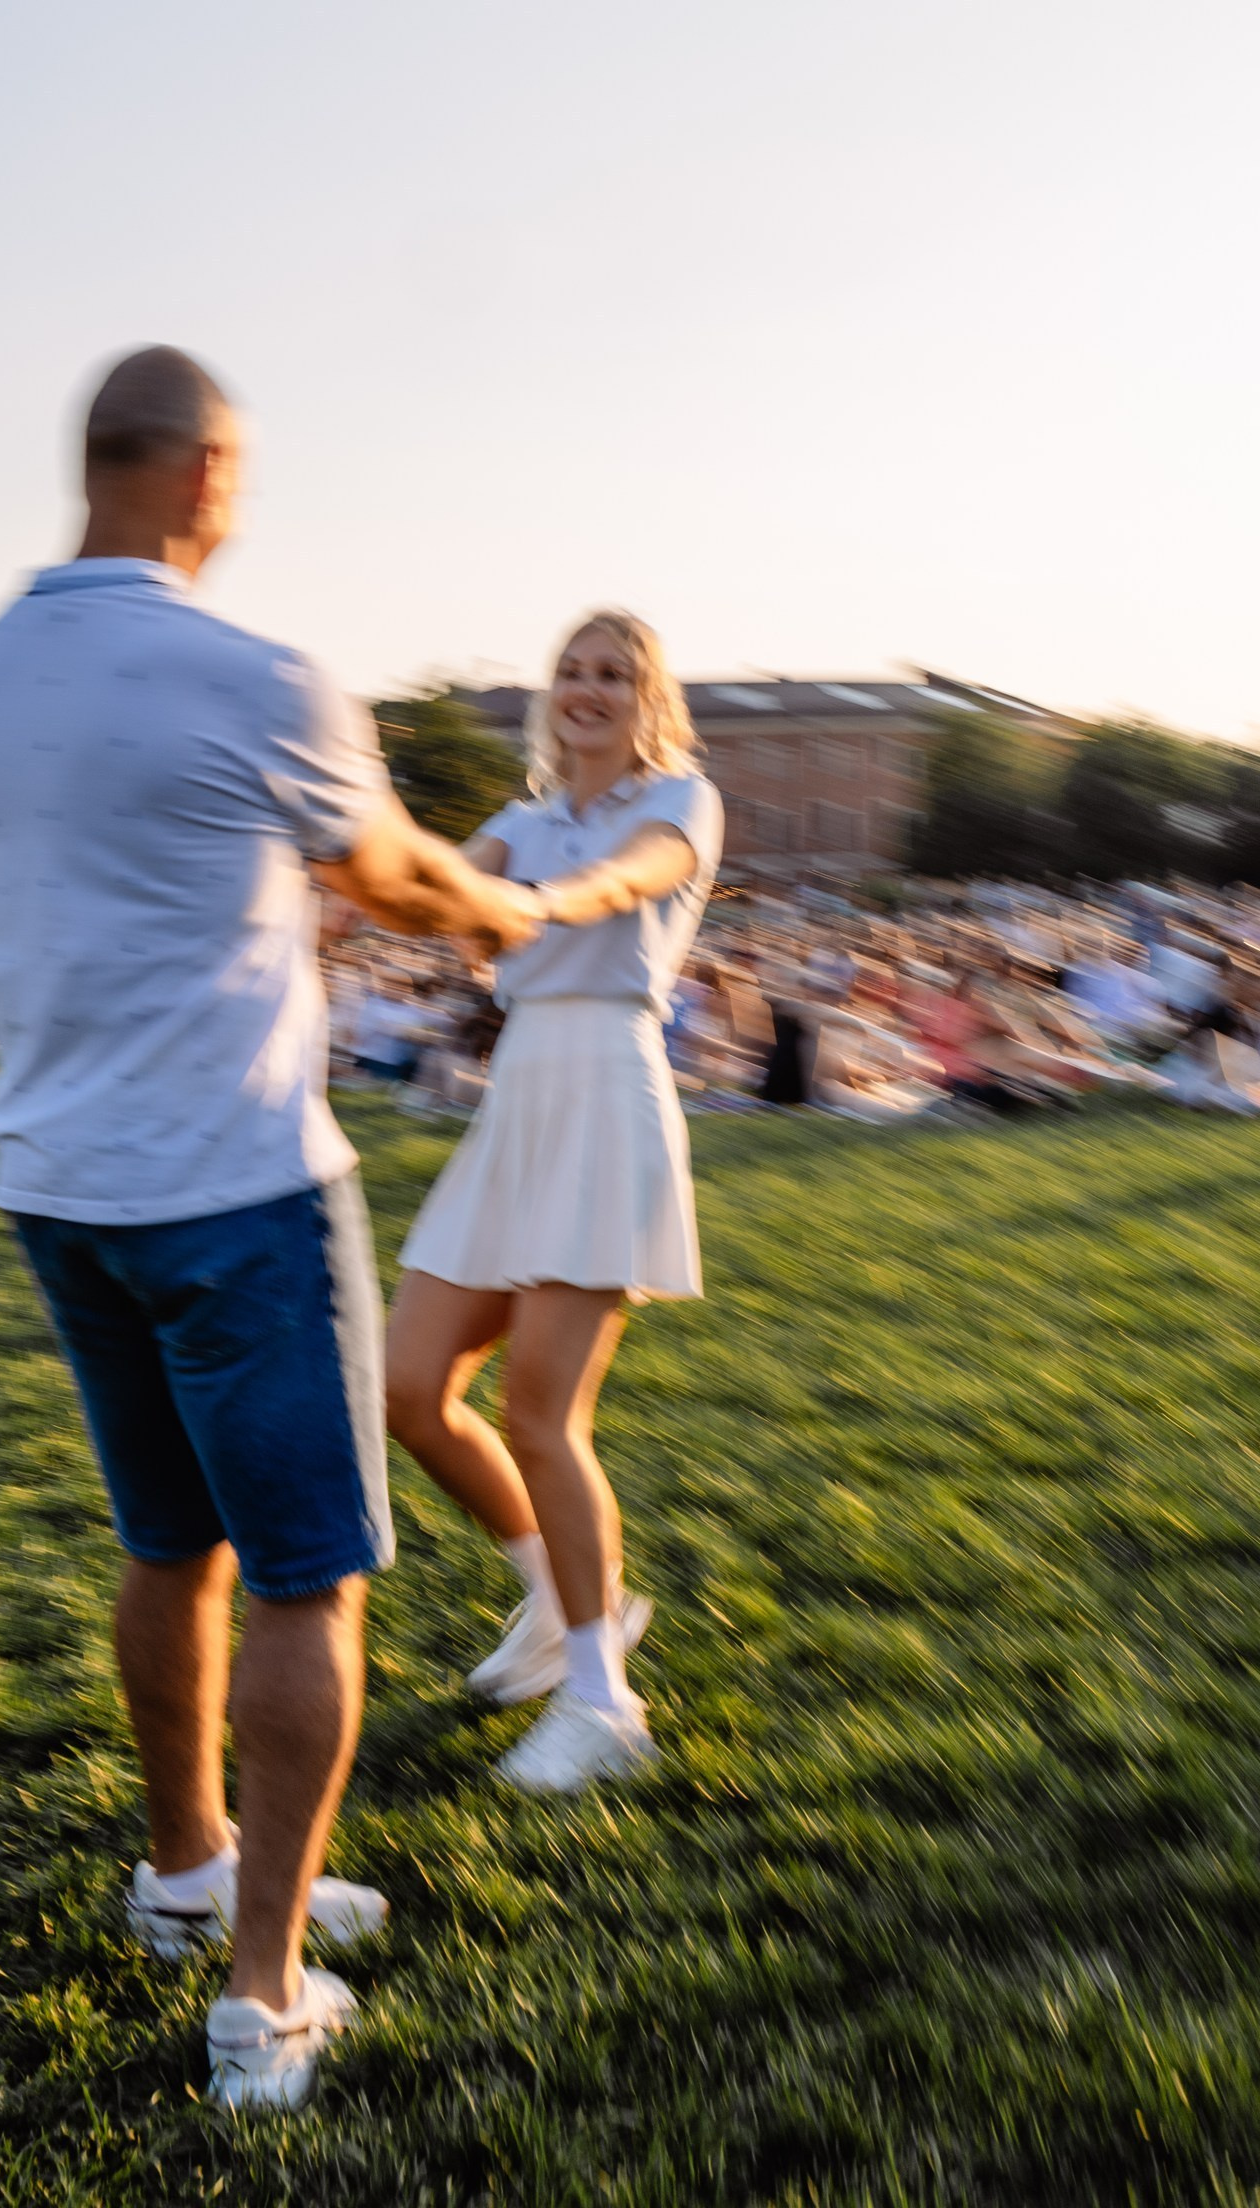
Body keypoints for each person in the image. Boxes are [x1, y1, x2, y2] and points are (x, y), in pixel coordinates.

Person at [0, 346, 540, 2111]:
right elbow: (401, 878)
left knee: (163, 1541)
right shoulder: (249, 669)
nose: (242, 502)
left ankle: (188, 1870)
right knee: (304, 1578)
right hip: (236, 1185)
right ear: (198, 470)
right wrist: (505, 905)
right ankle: (262, 1996)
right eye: (241, 472)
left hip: (56, 1182)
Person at [384, 611, 723, 1792]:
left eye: (614, 674)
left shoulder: (678, 799)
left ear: (649, 696)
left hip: (605, 1092)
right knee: (408, 1388)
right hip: (519, 1094)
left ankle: (603, 1701)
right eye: (573, 671)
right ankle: (560, 1596)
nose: (589, 689)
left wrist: (543, 903)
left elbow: (636, 879)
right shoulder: (518, 823)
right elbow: (426, 888)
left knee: (542, 1415)